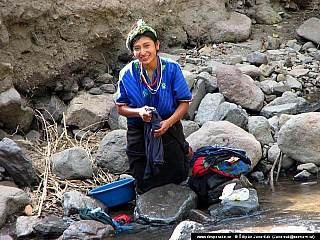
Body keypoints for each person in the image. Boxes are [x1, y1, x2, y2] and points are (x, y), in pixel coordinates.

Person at [115, 19, 193, 194]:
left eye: (147, 46)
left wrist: (168, 123)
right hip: (139, 131)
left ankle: (185, 151)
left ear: (157, 45)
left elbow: (184, 103)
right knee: (143, 181)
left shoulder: (171, 69)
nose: (142, 52)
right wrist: (139, 112)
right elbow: (121, 108)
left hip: (168, 127)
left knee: (178, 174)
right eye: (137, 48)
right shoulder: (127, 73)